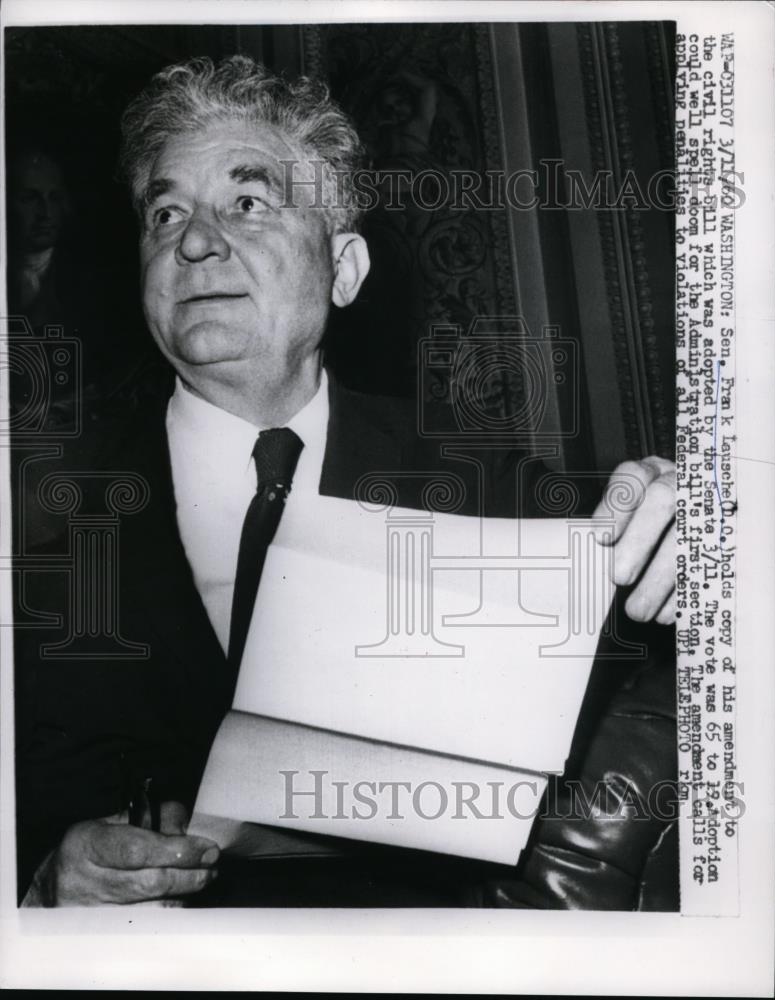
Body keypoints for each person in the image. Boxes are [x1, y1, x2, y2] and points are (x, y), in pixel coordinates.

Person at [15, 55, 677, 908]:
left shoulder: (471, 477)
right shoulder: (37, 501)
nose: (194, 239)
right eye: (166, 211)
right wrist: (42, 880)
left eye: (247, 203)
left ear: (346, 268)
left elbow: (641, 642)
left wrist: (697, 549)